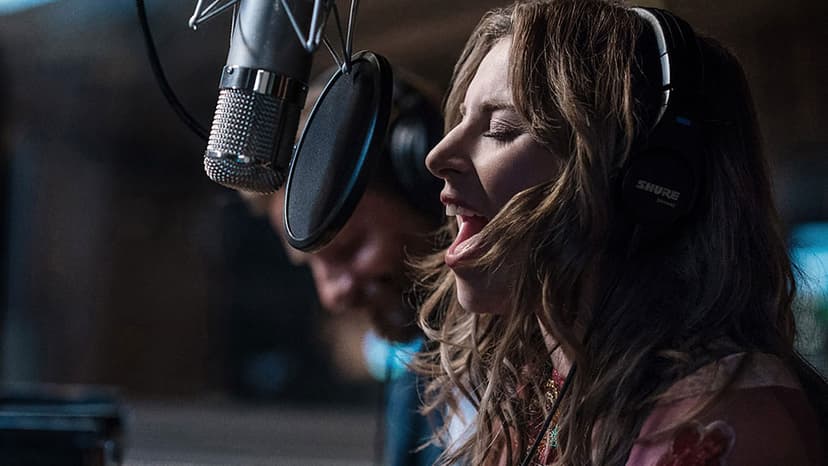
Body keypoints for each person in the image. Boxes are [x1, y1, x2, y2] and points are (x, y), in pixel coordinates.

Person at [413, 1, 828, 465]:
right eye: (461, 120)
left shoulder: (721, 424)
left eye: (502, 128)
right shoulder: (534, 399)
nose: (437, 156)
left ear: (646, 182)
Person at [247, 68, 446, 466]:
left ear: (425, 187)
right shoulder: (417, 379)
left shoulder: (548, 374)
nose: (332, 294)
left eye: (349, 249)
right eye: (311, 265)